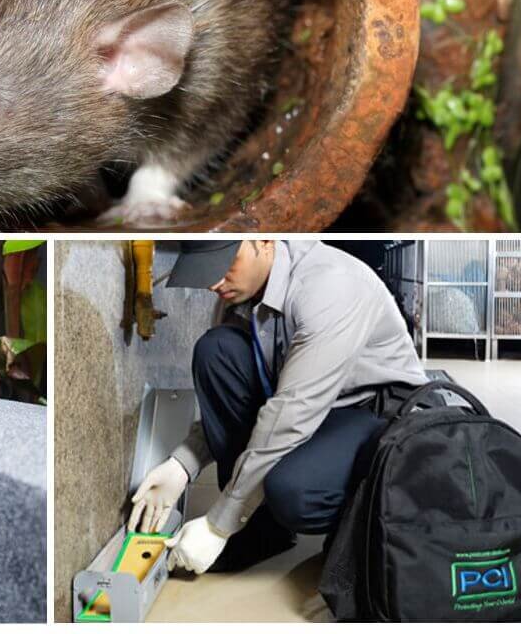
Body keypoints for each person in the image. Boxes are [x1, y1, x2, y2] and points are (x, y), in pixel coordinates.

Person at [129, 240, 427, 575]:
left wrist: (218, 524)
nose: (214, 283)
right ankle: (260, 533)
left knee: (294, 491)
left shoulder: (330, 285)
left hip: (374, 412)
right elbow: (270, 400)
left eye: (226, 264)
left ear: (264, 241)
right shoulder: (243, 294)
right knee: (217, 350)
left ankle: (364, 532)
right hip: (308, 405)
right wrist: (183, 464)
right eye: (207, 271)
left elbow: (291, 414)